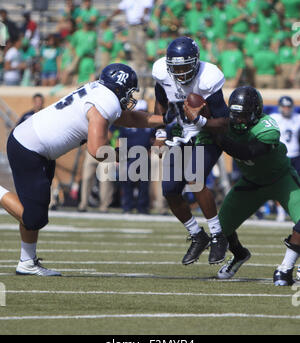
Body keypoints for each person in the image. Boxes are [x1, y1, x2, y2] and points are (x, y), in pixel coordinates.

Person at [0, 62, 227, 276]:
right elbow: (97, 149)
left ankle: (27, 262)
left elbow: (129, 118)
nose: (130, 98)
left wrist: (164, 119)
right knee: (35, 218)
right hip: (28, 149)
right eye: (129, 92)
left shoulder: (99, 92)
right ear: (120, 89)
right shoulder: (105, 102)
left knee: (36, 208)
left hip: (35, 144)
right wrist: (129, 155)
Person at [208, 86, 300, 286]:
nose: (239, 120)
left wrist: (218, 136)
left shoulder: (267, 127)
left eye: (244, 116)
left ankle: (285, 268)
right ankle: (240, 254)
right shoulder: (226, 122)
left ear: (256, 113)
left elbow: (247, 151)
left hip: (281, 180)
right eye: (236, 115)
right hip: (251, 183)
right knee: (219, 231)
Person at [152, 36, 230, 266]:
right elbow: (161, 102)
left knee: (195, 179)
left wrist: (201, 122)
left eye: (186, 66)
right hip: (180, 131)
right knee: (170, 189)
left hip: (208, 132)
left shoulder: (208, 78)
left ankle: (218, 235)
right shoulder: (161, 73)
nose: (181, 72)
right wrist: (160, 131)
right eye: (176, 68)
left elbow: (224, 121)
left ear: (196, 62)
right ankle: (198, 235)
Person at [107, 0, 154, 88]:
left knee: (142, 53)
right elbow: (120, 8)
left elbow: (147, 7)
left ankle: (146, 82)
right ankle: (139, 81)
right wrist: (109, 18)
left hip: (141, 25)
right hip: (131, 26)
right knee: (135, 53)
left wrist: (143, 16)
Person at [118, 99, 154, 214]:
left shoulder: (150, 125)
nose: (142, 114)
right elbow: (120, 141)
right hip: (129, 155)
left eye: (144, 111)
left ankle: (142, 207)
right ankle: (127, 206)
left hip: (144, 155)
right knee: (127, 182)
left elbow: (155, 140)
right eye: (140, 111)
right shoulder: (127, 124)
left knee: (143, 184)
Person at [270, 96, 300, 222]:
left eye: (288, 106)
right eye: (284, 106)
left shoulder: (297, 118)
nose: (286, 109)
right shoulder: (274, 118)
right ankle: (281, 212)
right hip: (281, 156)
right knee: (278, 184)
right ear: (280, 107)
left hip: (296, 155)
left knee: (297, 186)